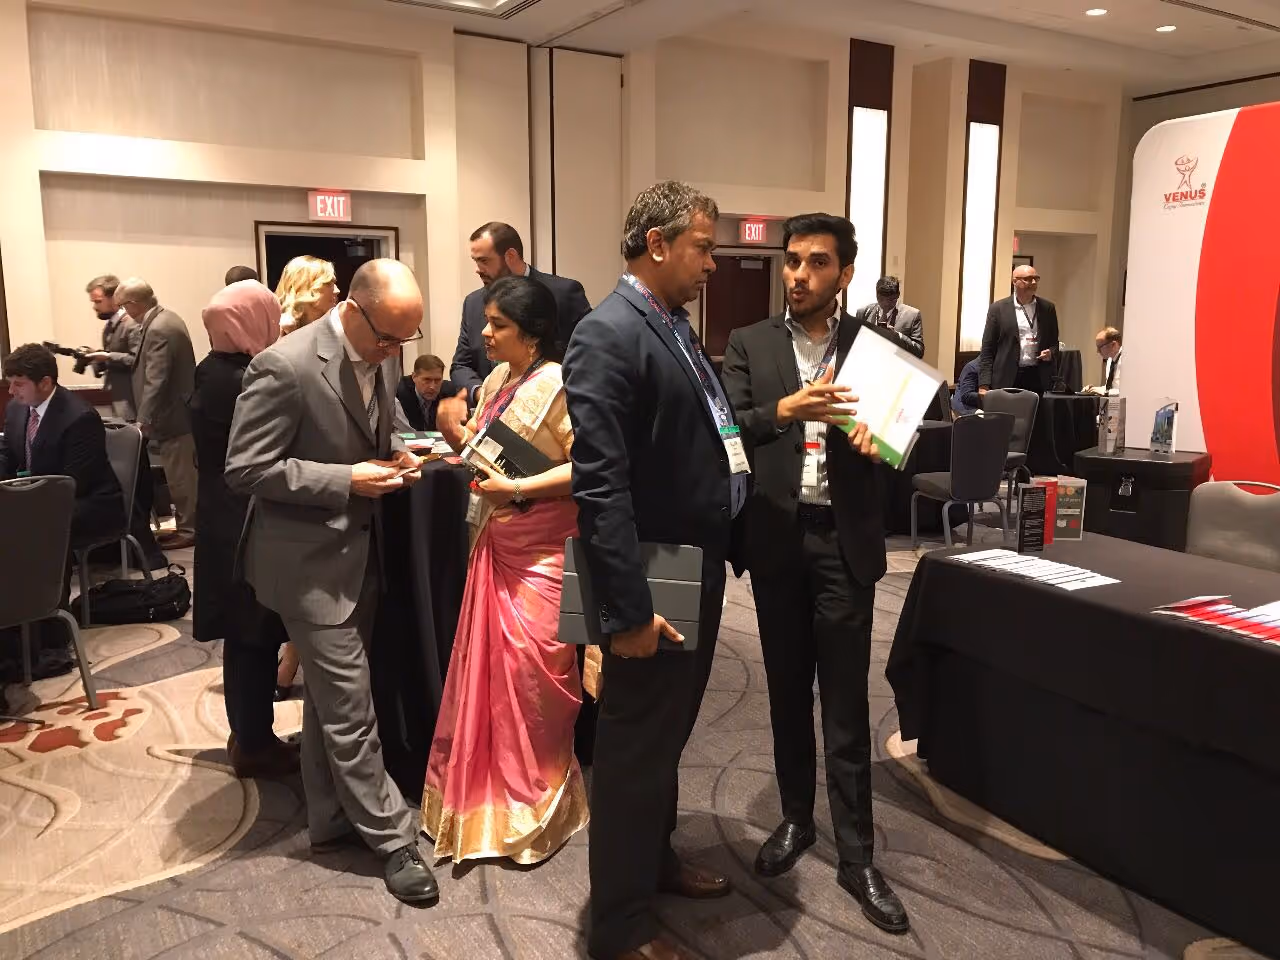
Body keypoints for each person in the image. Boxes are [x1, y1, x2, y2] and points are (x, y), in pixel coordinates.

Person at [564, 180, 747, 960]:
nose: (713, 263)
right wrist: (627, 612)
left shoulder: (670, 325)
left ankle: (654, 861)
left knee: (665, 740)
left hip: (689, 564)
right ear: (657, 243)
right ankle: (619, 927)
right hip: (649, 574)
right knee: (633, 754)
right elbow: (600, 487)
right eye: (703, 247)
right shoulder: (608, 332)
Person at [224, 258, 438, 906]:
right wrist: (346, 480)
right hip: (306, 565)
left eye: (405, 340)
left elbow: (376, 422)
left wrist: (398, 450)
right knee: (350, 705)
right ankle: (394, 839)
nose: (395, 351)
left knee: (328, 700)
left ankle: (331, 817)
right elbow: (245, 468)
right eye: (388, 338)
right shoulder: (283, 366)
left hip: (358, 555)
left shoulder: (383, 353)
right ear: (352, 308)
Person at [720, 213, 910, 936]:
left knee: (847, 705)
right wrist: (785, 410)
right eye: (792, 260)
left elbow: (900, 445)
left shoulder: (877, 349)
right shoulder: (751, 342)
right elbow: (729, 426)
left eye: (816, 263)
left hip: (843, 543)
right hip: (776, 538)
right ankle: (797, 818)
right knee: (785, 692)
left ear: (845, 273)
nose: (798, 275)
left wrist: (880, 444)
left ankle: (858, 855)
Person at [422, 275, 588, 864]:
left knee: (530, 671)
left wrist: (517, 487)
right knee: (485, 671)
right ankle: (483, 797)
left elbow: (588, 468)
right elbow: (486, 450)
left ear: (533, 333)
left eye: (499, 325)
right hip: (496, 539)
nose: (485, 335)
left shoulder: (561, 384)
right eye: (487, 322)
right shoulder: (496, 381)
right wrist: (459, 433)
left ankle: (534, 802)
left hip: (543, 550)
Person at [189, 280, 299, 780]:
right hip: (246, 516)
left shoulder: (209, 368)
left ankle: (247, 734)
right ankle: (255, 743)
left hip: (219, 513)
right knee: (255, 633)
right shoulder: (250, 377)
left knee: (242, 634)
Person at [1, 344, 127, 678]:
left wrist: (23, 502)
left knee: (36, 533)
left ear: (45, 382)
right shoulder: (17, 409)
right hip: (36, 499)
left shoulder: (79, 417)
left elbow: (73, 482)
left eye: (18, 383)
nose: (11, 391)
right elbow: (8, 454)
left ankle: (47, 631)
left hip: (88, 504)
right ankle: (15, 626)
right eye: (10, 383)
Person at [449, 222, 591, 405]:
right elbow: (461, 366)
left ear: (510, 256)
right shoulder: (473, 303)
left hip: (554, 409)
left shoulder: (562, 294)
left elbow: (589, 357)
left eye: (484, 261)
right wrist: (483, 394)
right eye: (475, 261)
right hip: (489, 415)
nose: (477, 269)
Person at [119, 277, 199, 549]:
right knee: (180, 474)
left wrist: (143, 419)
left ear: (133, 303)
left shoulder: (159, 328)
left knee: (181, 477)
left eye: (124, 306)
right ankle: (187, 525)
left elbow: (157, 378)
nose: (124, 312)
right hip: (174, 413)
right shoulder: (165, 319)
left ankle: (189, 530)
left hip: (173, 416)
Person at [978, 265, 1059, 396]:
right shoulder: (998, 309)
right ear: (1014, 281)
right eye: (1028, 279)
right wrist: (984, 385)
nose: (1033, 282)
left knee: (1035, 410)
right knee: (1007, 410)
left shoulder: (1048, 308)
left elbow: (1054, 343)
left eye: (1036, 279)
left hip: (1037, 376)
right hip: (1006, 376)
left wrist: (1051, 352)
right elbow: (987, 348)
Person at [82, 274, 142, 420]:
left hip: (133, 401)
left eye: (98, 301)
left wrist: (108, 356)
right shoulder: (110, 327)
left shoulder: (132, 324)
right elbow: (114, 362)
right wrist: (95, 358)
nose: (95, 307)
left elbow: (138, 360)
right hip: (116, 398)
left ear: (115, 298)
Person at [853, 276, 924, 358]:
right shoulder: (863, 312)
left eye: (890, 300)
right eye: (881, 299)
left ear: (898, 295)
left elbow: (919, 352)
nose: (885, 303)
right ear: (876, 295)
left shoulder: (912, 315)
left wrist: (897, 336)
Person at [394, 354, 462, 432]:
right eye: (427, 380)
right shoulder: (399, 392)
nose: (432, 386)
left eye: (437, 380)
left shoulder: (450, 393)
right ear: (414, 377)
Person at [276, 255, 339, 335]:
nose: (337, 291)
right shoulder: (279, 330)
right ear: (304, 287)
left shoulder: (333, 328)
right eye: (328, 283)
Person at [1084, 326, 1123, 396]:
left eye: (1100, 347)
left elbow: (1128, 391)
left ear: (1113, 345)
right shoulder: (1110, 360)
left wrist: (1106, 392)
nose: (1098, 351)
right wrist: (1094, 389)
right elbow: (1111, 387)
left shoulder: (1127, 360)